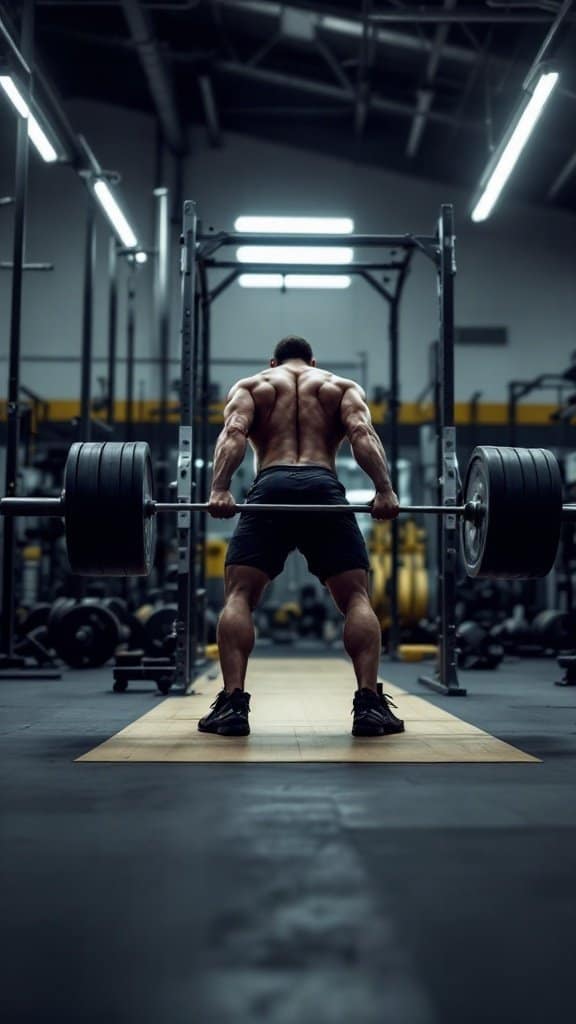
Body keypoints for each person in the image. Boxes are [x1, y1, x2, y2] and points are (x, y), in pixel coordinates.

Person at [199, 335, 404, 739]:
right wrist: (384, 489)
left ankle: (232, 705)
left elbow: (234, 433)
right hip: (322, 487)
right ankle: (368, 707)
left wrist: (219, 488)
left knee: (239, 595)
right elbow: (362, 433)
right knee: (356, 598)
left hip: (270, 488)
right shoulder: (339, 386)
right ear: (313, 360)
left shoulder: (253, 385)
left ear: (273, 361)